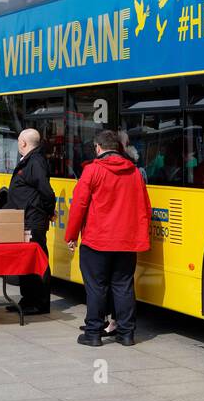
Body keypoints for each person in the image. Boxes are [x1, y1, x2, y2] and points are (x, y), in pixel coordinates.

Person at [65, 129, 151, 347]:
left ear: (98, 148)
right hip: (126, 242)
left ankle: (93, 333)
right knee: (123, 286)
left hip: (97, 241)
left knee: (96, 287)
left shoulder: (92, 171)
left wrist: (71, 235)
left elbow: (79, 206)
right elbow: (145, 207)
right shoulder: (134, 172)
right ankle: (126, 333)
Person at [0, 128, 55, 316]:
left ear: (23, 143)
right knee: (25, 261)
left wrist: (48, 211)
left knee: (37, 262)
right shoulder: (29, 160)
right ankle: (27, 299)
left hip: (33, 220)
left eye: (18, 141)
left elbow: (46, 192)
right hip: (24, 219)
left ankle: (39, 303)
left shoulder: (36, 162)